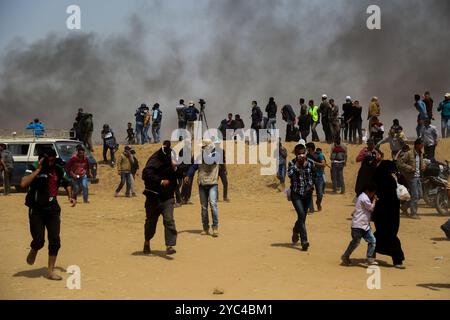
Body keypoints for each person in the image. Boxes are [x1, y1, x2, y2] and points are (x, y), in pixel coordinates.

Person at [21, 149, 76, 280]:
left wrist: (70, 196)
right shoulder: (33, 167)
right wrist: (38, 170)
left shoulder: (58, 168)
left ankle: (50, 271)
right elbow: (23, 183)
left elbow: (66, 182)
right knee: (39, 240)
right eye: (48, 159)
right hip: (37, 210)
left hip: (53, 209)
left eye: (52, 159)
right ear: (42, 159)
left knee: (55, 240)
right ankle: (35, 248)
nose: (51, 162)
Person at [142, 141, 181, 255]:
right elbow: (146, 174)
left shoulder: (172, 159)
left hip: (168, 197)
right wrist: (160, 181)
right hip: (153, 197)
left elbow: (182, 173)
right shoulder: (154, 160)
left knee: (169, 220)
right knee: (150, 223)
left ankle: (169, 246)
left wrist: (175, 169)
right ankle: (147, 241)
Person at [371, 160, 406, 269]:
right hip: (383, 212)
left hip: (390, 212)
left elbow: (404, 188)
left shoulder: (393, 178)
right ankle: (397, 259)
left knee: (386, 233)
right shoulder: (380, 178)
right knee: (389, 234)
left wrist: (397, 178)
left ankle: (372, 250)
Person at [186, 139, 220, 237]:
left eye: (203, 147)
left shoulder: (216, 155)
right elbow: (194, 167)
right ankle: (205, 228)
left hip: (213, 183)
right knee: (204, 207)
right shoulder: (200, 156)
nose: (201, 148)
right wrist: (188, 175)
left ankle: (215, 227)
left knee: (213, 205)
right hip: (202, 184)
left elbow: (210, 161)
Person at [341, 183, 378, 266]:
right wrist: (374, 201)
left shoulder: (363, 196)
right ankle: (345, 256)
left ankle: (369, 258)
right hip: (358, 225)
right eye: (373, 193)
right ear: (368, 191)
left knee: (372, 241)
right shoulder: (364, 198)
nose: (373, 195)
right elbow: (371, 208)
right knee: (355, 243)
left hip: (364, 225)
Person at [288, 143, 314, 251]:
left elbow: (314, 175)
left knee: (302, 217)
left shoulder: (310, 163)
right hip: (296, 194)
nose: (301, 155)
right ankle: (304, 241)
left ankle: (295, 230)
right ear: (296, 154)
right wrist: (298, 164)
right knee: (301, 214)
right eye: (299, 154)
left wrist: (312, 186)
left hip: (307, 194)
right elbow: (289, 174)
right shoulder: (292, 163)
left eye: (303, 153)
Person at [397, 138, 426, 219]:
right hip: (411, 177)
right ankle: (413, 213)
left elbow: (421, 162)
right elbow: (400, 163)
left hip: (418, 177)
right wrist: (410, 168)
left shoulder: (420, 153)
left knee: (420, 195)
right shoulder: (409, 153)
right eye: (421, 144)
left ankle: (404, 206)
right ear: (417, 145)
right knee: (415, 195)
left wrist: (423, 165)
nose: (423, 146)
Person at [306, 142, 326, 212]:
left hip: (319, 176)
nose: (306, 149)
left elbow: (323, 164)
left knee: (320, 194)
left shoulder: (319, 155)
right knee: (309, 193)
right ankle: (311, 208)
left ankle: (318, 203)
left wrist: (314, 163)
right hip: (310, 177)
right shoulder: (307, 156)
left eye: (307, 147)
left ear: (310, 148)